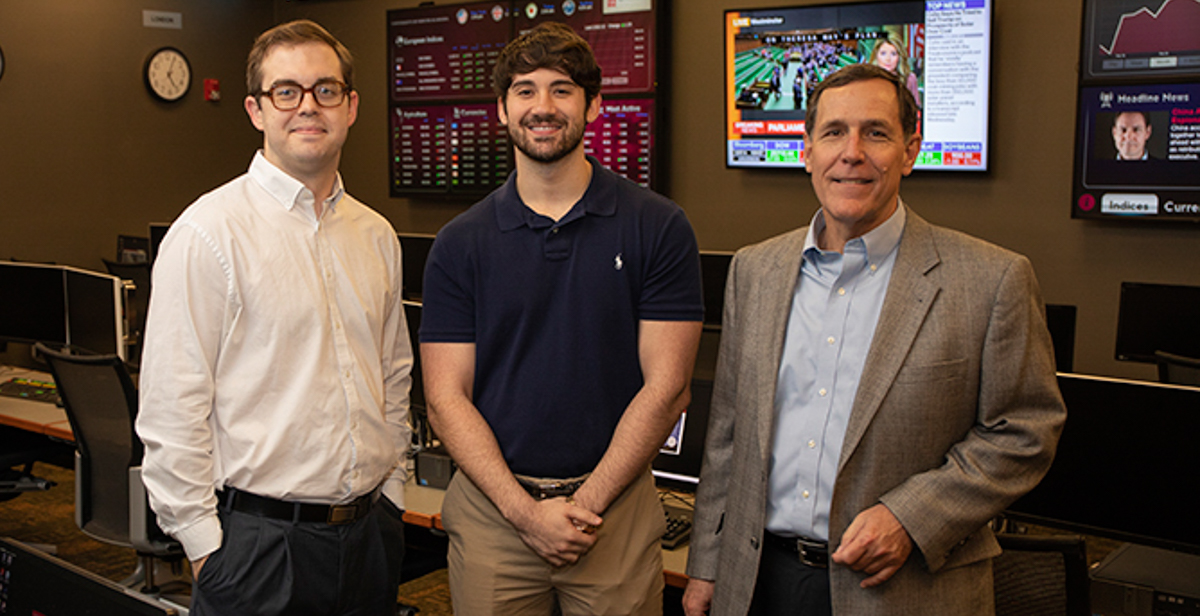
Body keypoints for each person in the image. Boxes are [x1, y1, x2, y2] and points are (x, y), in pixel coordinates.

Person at [682, 63, 1065, 616]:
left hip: (905, 590)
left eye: (876, 133)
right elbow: (727, 434)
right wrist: (708, 566)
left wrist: (913, 516)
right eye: (833, 132)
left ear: (909, 151)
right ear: (806, 150)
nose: (852, 152)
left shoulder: (991, 279)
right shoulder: (755, 270)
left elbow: (1025, 431)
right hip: (760, 582)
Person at [420, 22, 704, 616]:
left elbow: (668, 387)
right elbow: (446, 398)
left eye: (561, 90)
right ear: (501, 109)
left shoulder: (658, 226)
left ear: (593, 105)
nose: (542, 107)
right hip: (495, 513)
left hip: (614, 515)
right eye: (524, 90)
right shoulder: (459, 242)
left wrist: (586, 503)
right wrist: (526, 515)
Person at [136, 19, 411, 616]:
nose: (307, 107)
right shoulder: (209, 234)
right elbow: (171, 407)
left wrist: (392, 494)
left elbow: (392, 378)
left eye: (325, 90)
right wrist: (205, 547)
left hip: (370, 538)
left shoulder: (376, 235)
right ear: (256, 110)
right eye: (286, 91)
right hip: (257, 549)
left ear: (351, 106)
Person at [868, 37, 920, 106]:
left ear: (899, 57)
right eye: (883, 53)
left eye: (893, 54)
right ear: (876, 55)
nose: (888, 59)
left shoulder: (909, 79)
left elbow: (916, 110)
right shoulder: (868, 80)